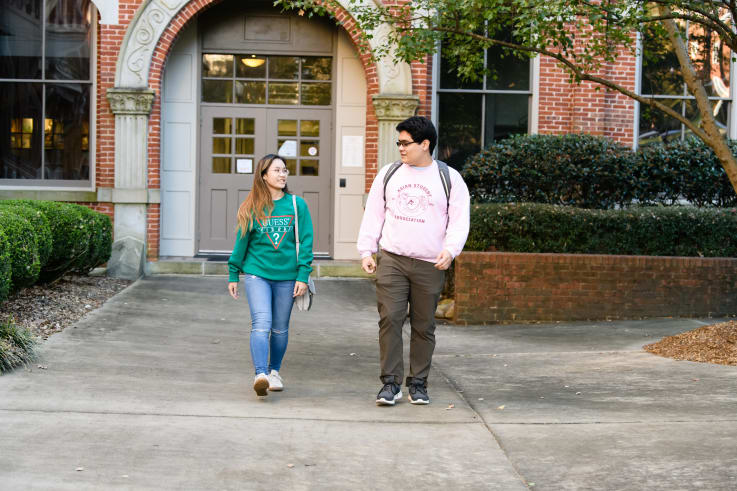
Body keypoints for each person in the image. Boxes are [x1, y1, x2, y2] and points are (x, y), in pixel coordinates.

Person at [357, 116, 470, 406]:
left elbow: (459, 221)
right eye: (399, 143)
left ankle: (418, 384)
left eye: (406, 143)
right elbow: (374, 213)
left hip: (429, 264)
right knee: (390, 318)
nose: (401, 149)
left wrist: (451, 249)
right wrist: (366, 250)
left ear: (425, 144)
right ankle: (390, 384)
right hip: (393, 259)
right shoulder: (389, 173)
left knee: (423, 325)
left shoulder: (449, 178)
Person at [228, 154, 314, 398]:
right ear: (264, 175)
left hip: (288, 276)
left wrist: (303, 275)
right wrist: (234, 273)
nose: (282, 174)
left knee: (279, 329)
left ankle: (275, 371)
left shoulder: (297, 205)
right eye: (277, 170)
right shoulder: (251, 207)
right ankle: (260, 374)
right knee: (261, 323)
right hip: (258, 274)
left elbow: (306, 242)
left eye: (285, 170)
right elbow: (241, 243)